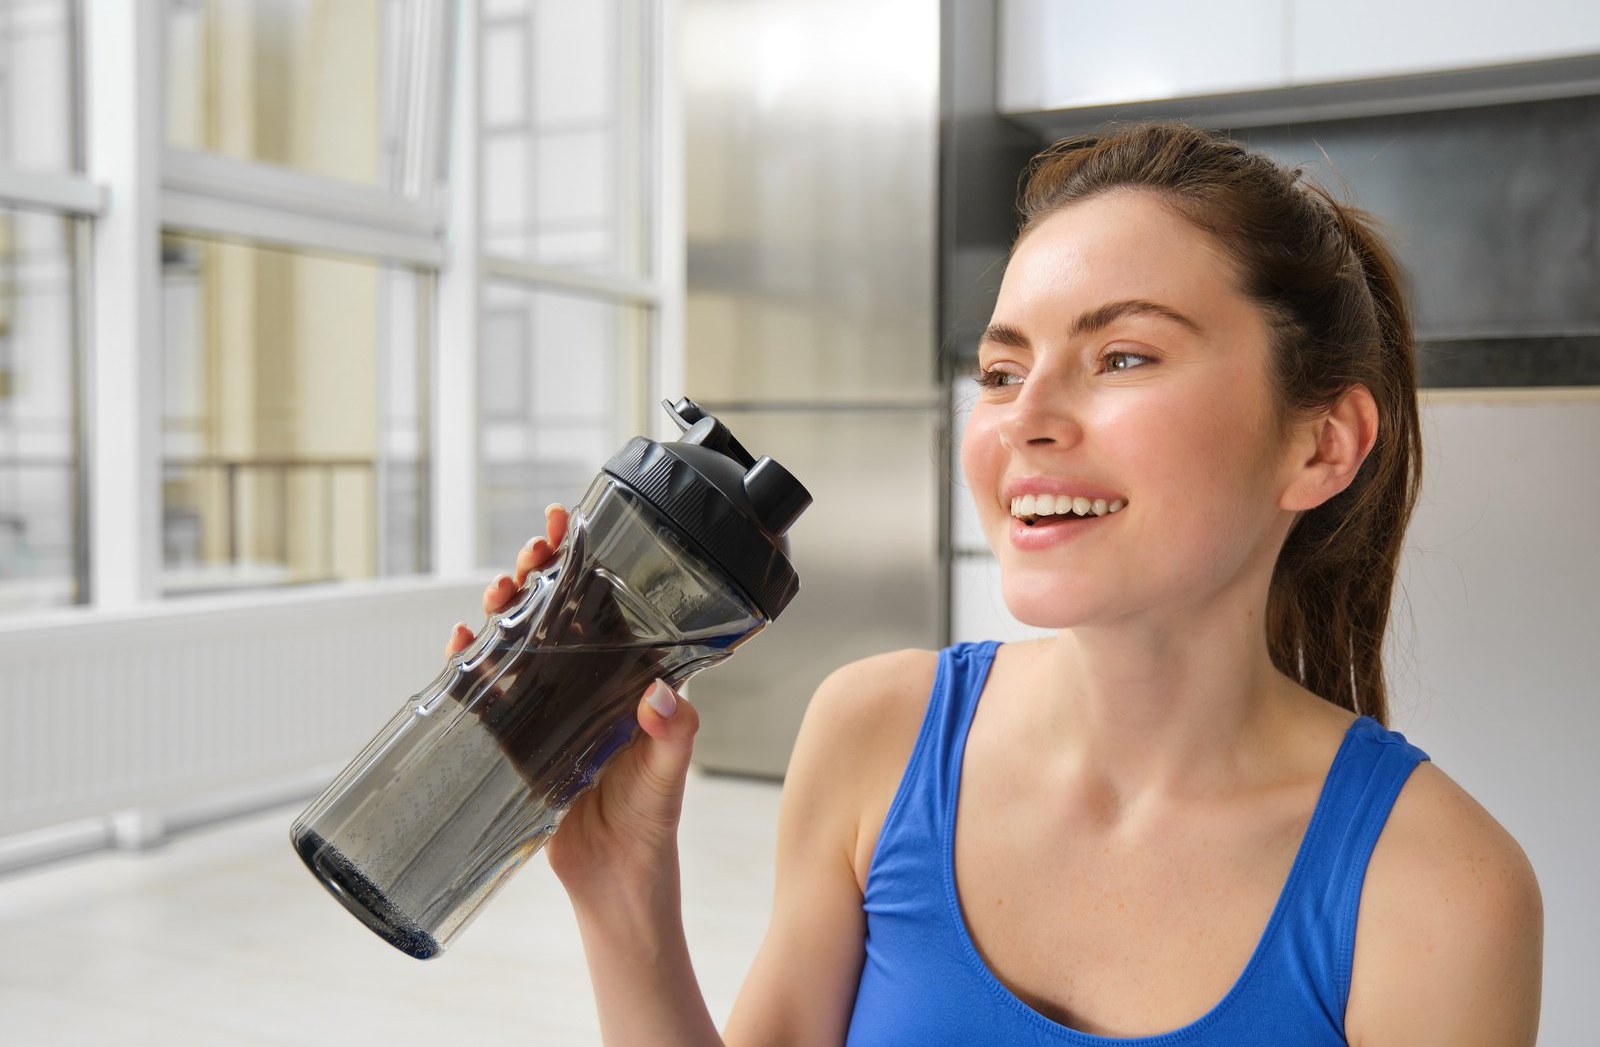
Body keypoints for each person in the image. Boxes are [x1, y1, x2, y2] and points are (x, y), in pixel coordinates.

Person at [449, 123, 1543, 1045]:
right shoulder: (873, 732)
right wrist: (620, 884)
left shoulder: (1440, 891)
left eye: (1123, 356)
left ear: (1320, 446)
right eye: (1003, 372)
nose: (1024, 419)